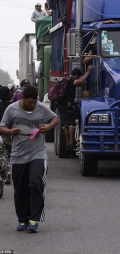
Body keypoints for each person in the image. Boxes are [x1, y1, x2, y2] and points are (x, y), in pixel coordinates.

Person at [0, 86, 59, 232]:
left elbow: (55, 118)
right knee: (20, 189)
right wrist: (10, 131)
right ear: (23, 98)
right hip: (18, 155)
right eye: (30, 103)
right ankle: (22, 219)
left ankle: (34, 219)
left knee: (35, 182)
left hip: (37, 153)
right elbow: (2, 127)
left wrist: (49, 126)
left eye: (35, 102)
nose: (33, 105)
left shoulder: (40, 108)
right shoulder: (12, 109)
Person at [58, 67, 93, 150]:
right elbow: (79, 81)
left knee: (65, 125)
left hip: (61, 105)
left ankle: (67, 143)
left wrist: (81, 83)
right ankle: (71, 142)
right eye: (78, 76)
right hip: (67, 105)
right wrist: (88, 72)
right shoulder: (71, 80)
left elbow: (77, 83)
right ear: (76, 75)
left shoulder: (65, 80)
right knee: (71, 124)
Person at [0, 86, 12, 198]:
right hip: (10, 134)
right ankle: (8, 171)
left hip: (0, 134)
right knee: (7, 155)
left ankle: (3, 174)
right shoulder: (12, 107)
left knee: (2, 155)